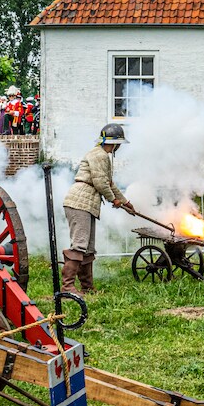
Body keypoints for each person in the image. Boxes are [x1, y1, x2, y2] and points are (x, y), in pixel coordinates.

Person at [60, 123, 134, 295]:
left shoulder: (102, 155)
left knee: (88, 248)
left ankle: (87, 287)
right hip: (80, 202)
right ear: (115, 143)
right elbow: (100, 182)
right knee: (79, 245)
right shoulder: (99, 155)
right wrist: (113, 200)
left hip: (87, 204)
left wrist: (125, 202)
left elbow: (108, 183)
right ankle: (67, 287)